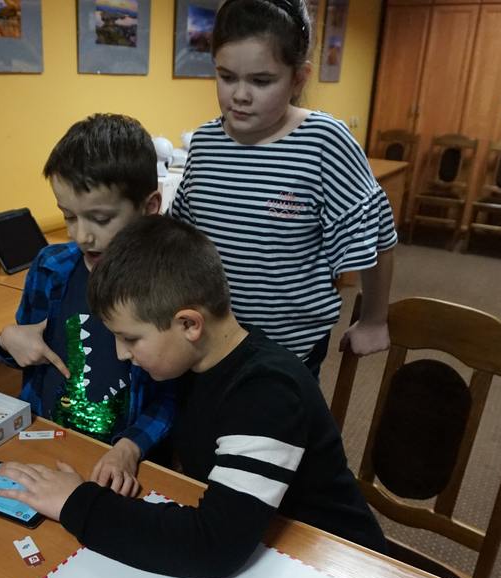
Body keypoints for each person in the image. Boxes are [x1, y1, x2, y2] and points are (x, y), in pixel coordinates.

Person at [0, 216, 386, 578]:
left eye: (130, 339)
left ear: (188, 324)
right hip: (271, 546)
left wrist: (75, 502)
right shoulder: (191, 363)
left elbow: (213, 547)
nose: (121, 354)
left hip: (338, 566)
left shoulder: (267, 391)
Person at [168, 0, 397, 376]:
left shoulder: (324, 141)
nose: (240, 95)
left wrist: (374, 319)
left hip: (289, 348)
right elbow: (182, 238)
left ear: (298, 79)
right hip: (210, 340)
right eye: (226, 77)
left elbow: (378, 235)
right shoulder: (205, 141)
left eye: (261, 81)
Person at [0, 114, 173, 497]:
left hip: (124, 463)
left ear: (149, 206)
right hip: (45, 443)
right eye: (68, 216)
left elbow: (175, 393)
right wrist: (7, 341)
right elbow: (27, 349)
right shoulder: (50, 267)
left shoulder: (170, 283)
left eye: (101, 219)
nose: (81, 236)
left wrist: (130, 446)